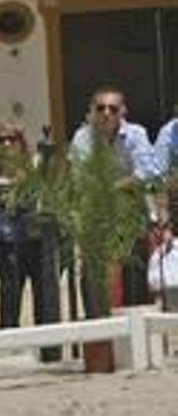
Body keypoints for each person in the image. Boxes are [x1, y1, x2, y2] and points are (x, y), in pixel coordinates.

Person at [69, 86, 160, 307]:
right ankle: (98, 333)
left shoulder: (136, 134)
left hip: (131, 218)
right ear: (91, 111)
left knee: (135, 287)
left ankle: (135, 336)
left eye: (113, 108)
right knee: (95, 287)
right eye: (100, 108)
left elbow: (146, 172)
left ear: (123, 111)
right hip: (96, 221)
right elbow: (79, 176)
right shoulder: (82, 137)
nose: (106, 113)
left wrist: (109, 189)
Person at [0, 124, 62, 361]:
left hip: (36, 237)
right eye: (2, 139)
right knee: (10, 294)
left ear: (22, 141)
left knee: (43, 295)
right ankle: (10, 349)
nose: (7, 144)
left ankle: (47, 348)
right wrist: (2, 184)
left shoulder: (34, 162)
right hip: (6, 240)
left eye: (13, 139)